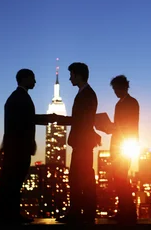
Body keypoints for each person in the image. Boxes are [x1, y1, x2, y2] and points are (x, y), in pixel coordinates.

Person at [0, 69, 57, 225]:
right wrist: (51, 119)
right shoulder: (20, 98)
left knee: (13, 182)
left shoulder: (16, 97)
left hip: (16, 147)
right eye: (33, 79)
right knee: (14, 182)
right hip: (18, 148)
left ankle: (8, 214)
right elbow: (26, 121)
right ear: (24, 79)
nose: (35, 82)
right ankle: (10, 215)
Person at [55, 62, 101, 225]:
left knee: (80, 178)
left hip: (82, 143)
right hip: (82, 142)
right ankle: (83, 211)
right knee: (82, 177)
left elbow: (83, 121)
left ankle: (79, 212)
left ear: (78, 75)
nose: (69, 78)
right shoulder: (86, 93)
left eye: (72, 75)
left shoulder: (87, 94)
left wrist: (61, 120)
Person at [105, 75, 139, 224]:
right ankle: (124, 210)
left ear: (124, 87)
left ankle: (129, 211)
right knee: (119, 180)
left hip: (125, 145)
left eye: (116, 89)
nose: (115, 92)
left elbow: (131, 124)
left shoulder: (132, 103)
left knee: (122, 179)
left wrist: (114, 127)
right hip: (118, 145)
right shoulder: (119, 104)